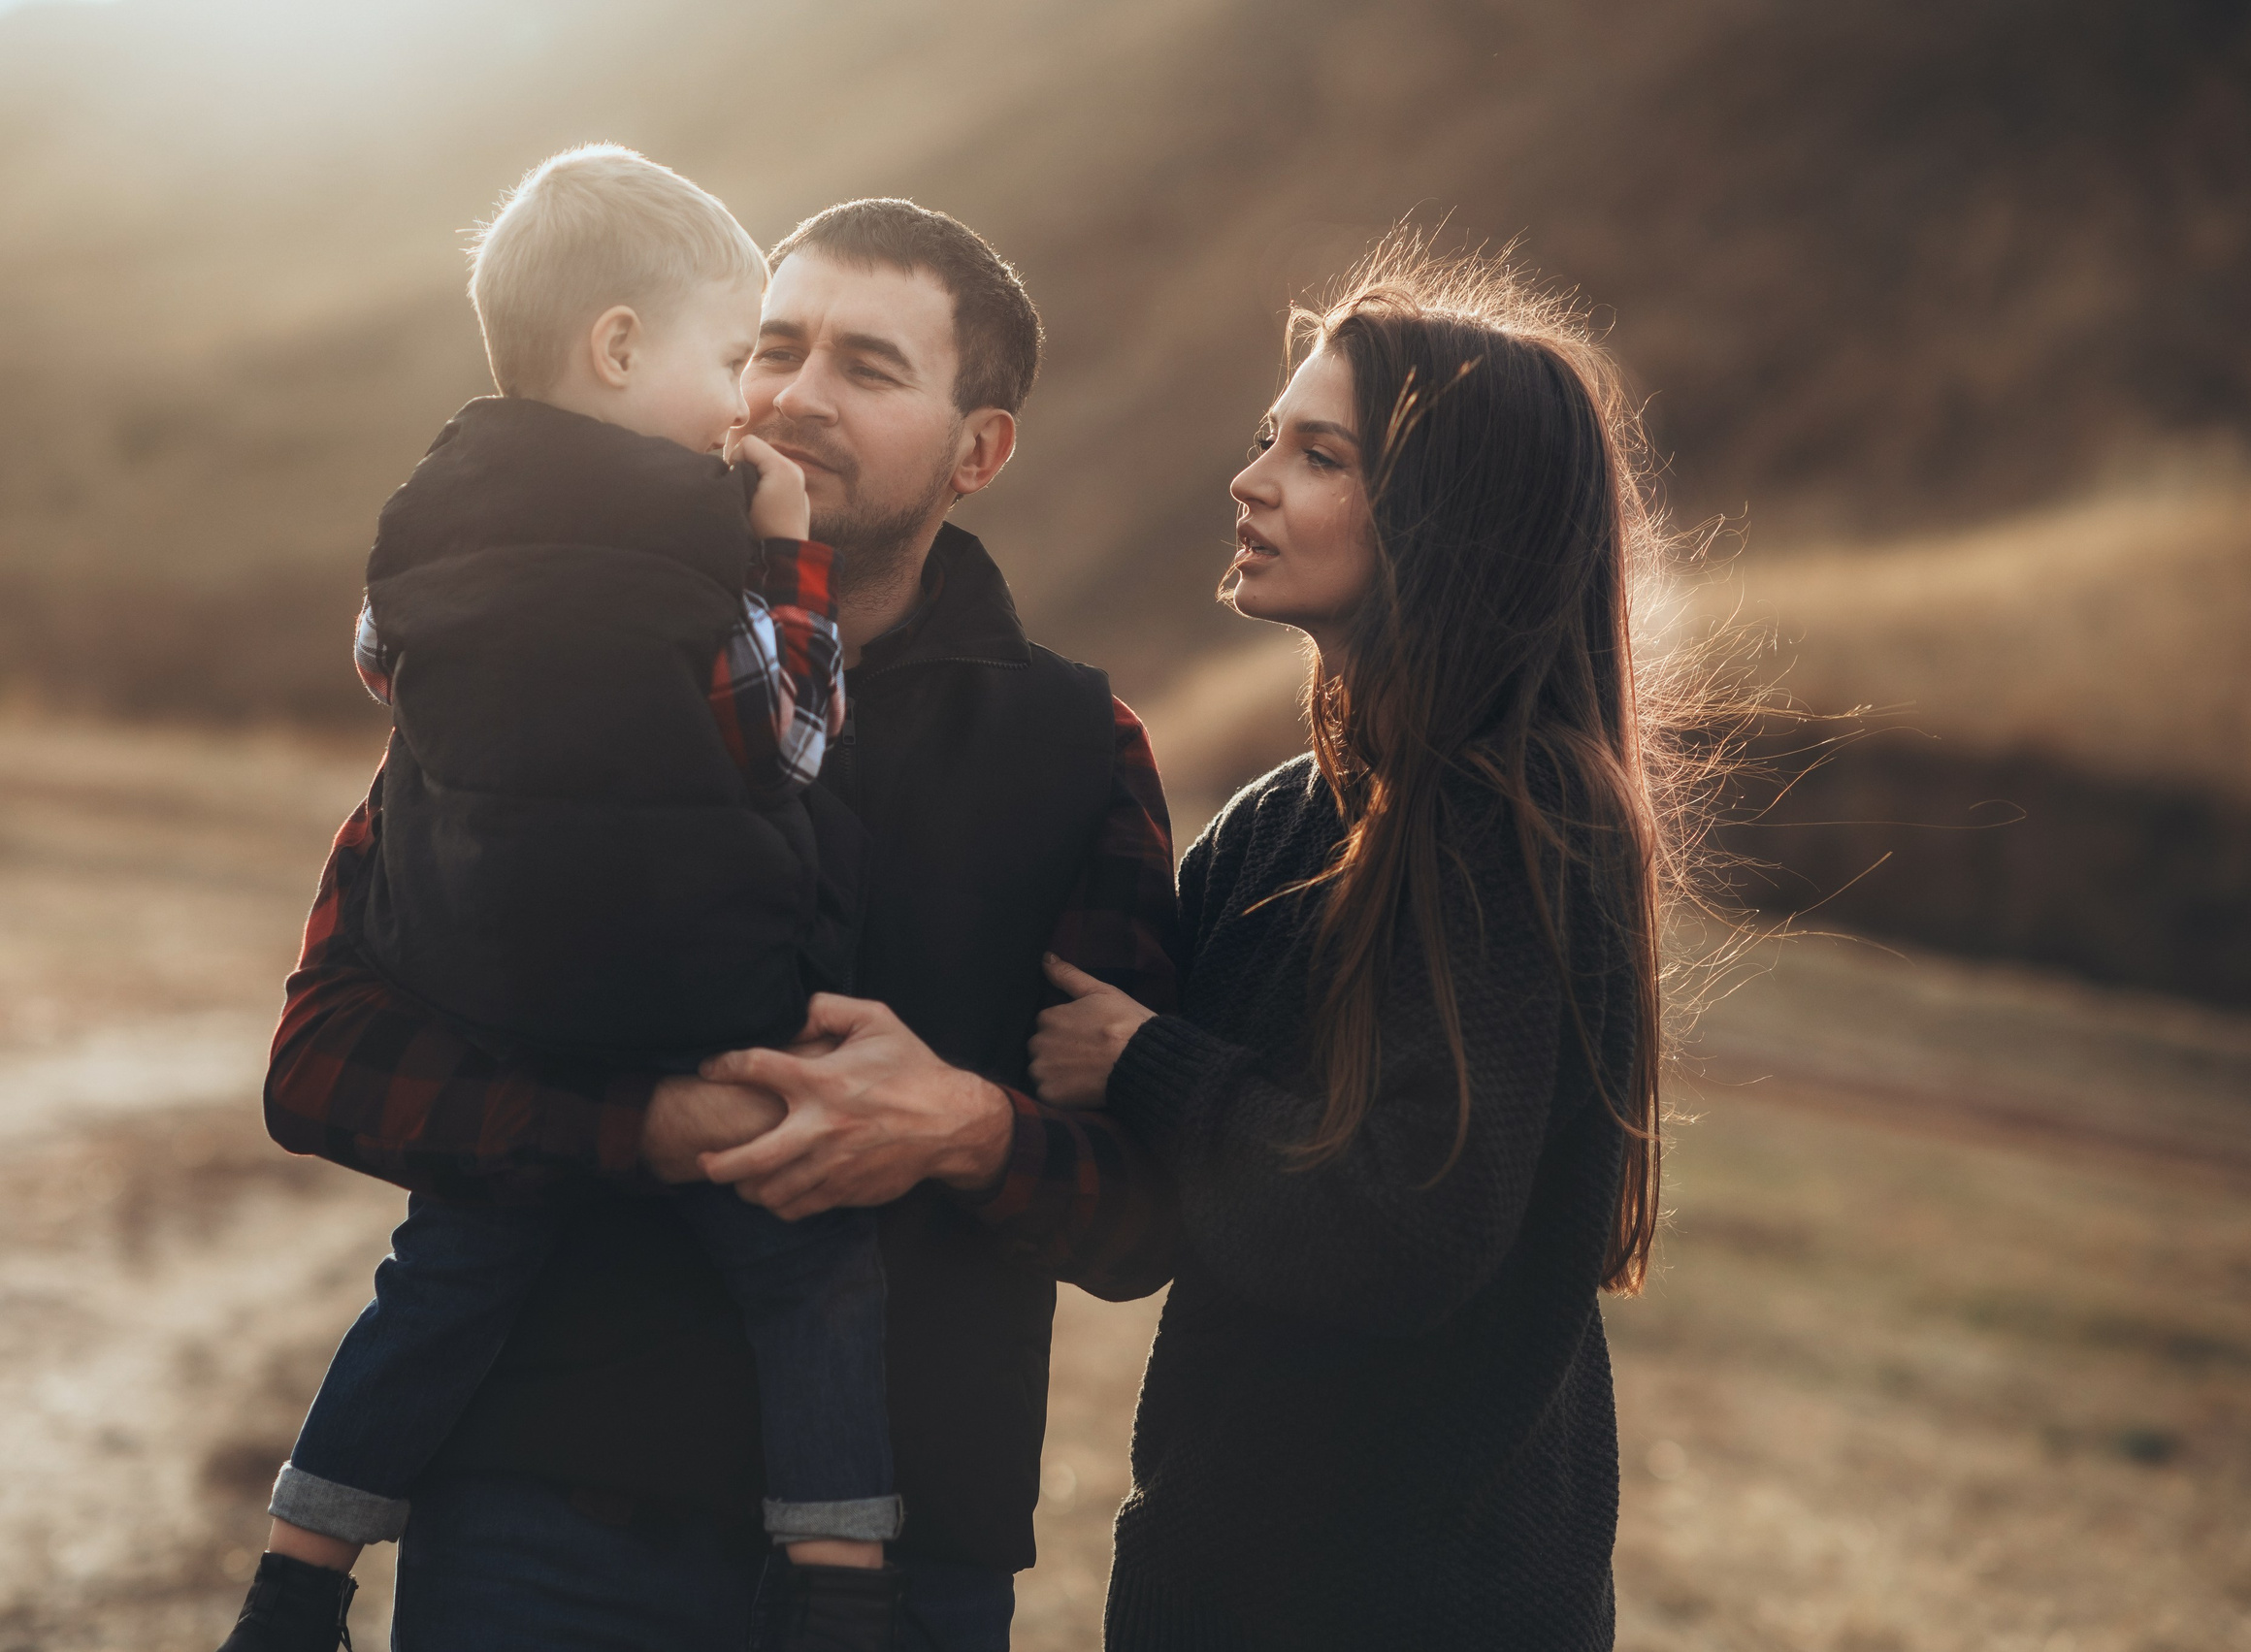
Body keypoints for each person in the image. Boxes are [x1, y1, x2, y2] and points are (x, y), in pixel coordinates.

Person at [260, 195, 1181, 1651]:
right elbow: (322, 1060)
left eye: (869, 369)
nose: (793, 394)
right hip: (537, 1520)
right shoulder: (542, 656)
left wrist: (965, 1127)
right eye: (770, 344)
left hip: (907, 1560)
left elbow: (1142, 1208)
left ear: (978, 449)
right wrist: (640, 1123)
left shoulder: (1080, 750)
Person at [221, 145, 899, 1652]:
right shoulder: (695, 548)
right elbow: (792, 735)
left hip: (490, 1004)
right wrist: (787, 549)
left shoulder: (428, 523)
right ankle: (841, 1586)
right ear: (618, 347)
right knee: (809, 1276)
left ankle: (297, 1575)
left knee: (444, 1275)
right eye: (733, 356)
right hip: (690, 988)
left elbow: (390, 674)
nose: (751, 399)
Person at [1024, 246, 1678, 1648]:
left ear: (1454, 519)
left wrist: (1146, 1064)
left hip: (1424, 1604)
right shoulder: (1277, 823)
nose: (1251, 483)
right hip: (1218, 1575)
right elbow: (1141, 1219)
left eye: (1320, 455)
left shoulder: (1523, 818)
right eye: (1269, 440)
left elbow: (1404, 1232)